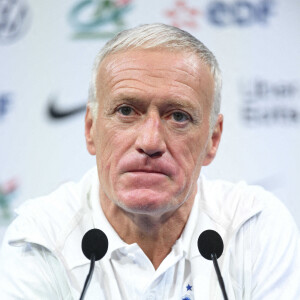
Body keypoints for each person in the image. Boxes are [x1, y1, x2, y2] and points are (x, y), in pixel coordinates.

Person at [0, 23, 299, 300]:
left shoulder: (254, 228)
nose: (150, 142)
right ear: (91, 129)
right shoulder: (40, 239)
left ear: (213, 139)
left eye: (178, 116)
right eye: (127, 111)